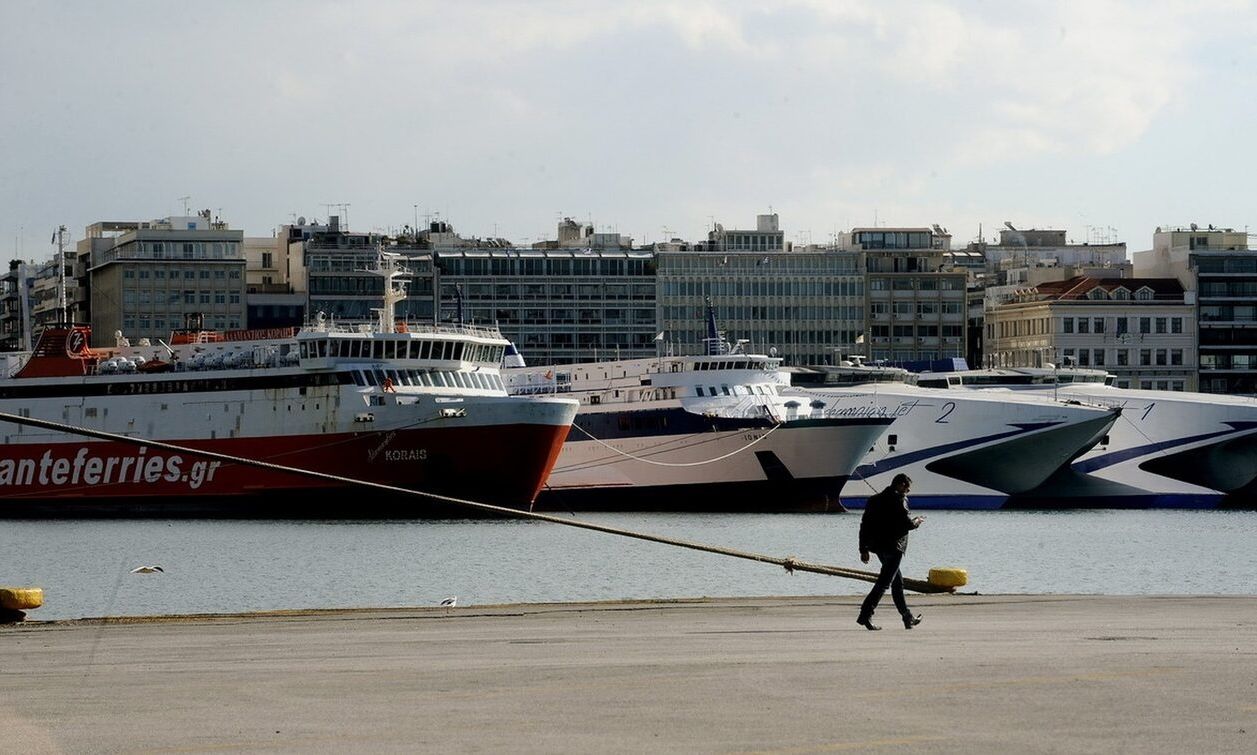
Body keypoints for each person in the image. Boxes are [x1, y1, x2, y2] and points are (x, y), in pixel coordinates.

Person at [856, 473, 925, 631]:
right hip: (895, 547)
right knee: (884, 583)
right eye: (907, 488)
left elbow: (864, 525)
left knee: (897, 582)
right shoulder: (899, 500)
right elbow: (907, 524)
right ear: (900, 485)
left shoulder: (874, 500)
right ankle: (865, 615)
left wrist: (863, 549)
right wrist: (918, 521)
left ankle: (907, 617)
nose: (907, 492)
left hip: (879, 547)